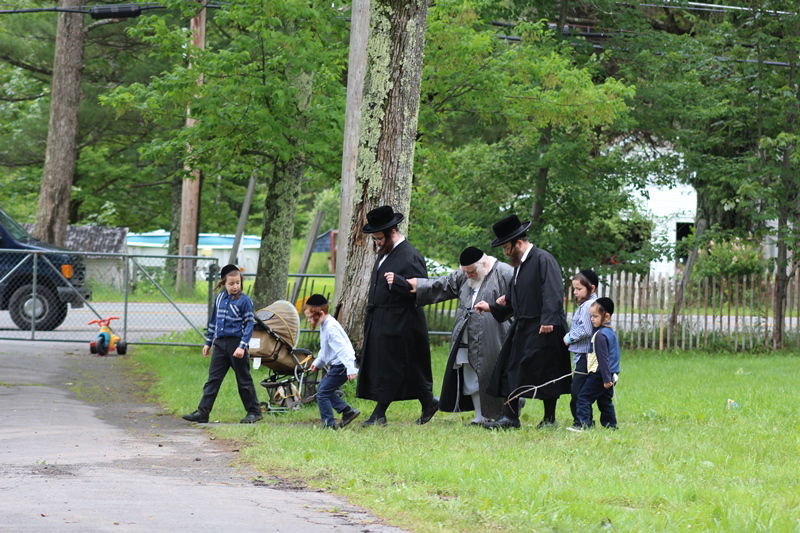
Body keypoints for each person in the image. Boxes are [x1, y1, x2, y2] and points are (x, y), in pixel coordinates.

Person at [475, 215, 572, 429]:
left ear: (518, 243)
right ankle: (510, 418)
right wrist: (492, 306)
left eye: (506, 247)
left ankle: (549, 419)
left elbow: (553, 291)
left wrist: (548, 320)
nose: (505, 252)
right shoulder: (520, 266)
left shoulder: (543, 259)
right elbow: (516, 300)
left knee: (548, 372)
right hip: (523, 327)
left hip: (545, 327)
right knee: (510, 368)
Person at [406, 247, 513, 424]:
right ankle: (480, 416)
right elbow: (444, 284)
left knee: (491, 374)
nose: (468, 276)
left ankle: (498, 415)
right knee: (471, 377)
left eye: (471, 272)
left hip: (494, 335)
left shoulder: (504, 272)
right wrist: (418, 285)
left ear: (484, 264)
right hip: (466, 333)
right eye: (465, 272)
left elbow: (518, 297)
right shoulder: (464, 275)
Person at [356, 205, 438, 426]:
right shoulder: (385, 253)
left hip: (402, 324)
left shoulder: (410, 256)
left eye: (379, 238)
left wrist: (401, 284)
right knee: (407, 367)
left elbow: (424, 290)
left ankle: (378, 414)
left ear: (392, 232)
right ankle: (428, 401)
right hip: (382, 320)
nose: (377, 242)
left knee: (390, 367)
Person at [182, 264, 262, 424]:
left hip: (236, 345)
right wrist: (208, 342)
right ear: (224, 283)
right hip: (219, 344)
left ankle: (254, 412)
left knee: (243, 380)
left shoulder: (245, 302)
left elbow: (249, 326)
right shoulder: (219, 298)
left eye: (238, 283)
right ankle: (203, 412)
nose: (235, 286)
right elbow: (213, 321)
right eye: (231, 284)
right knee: (213, 379)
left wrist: (242, 346)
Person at [304, 294, 361, 429]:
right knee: (324, 390)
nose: (309, 321)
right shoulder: (325, 325)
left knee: (322, 392)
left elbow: (343, 349)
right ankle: (348, 411)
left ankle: (329, 424)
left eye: (311, 318)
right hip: (338, 365)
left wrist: (351, 368)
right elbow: (325, 351)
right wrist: (317, 363)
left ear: (321, 313)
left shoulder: (331, 328)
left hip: (341, 366)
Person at [568, 297, 620, 431]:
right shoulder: (611, 333)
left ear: (606, 316)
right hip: (612, 374)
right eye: (591, 316)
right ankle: (611, 426)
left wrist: (606, 378)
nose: (592, 319)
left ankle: (585, 425)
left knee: (584, 398)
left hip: (599, 374)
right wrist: (611, 376)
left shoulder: (600, 336)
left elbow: (603, 359)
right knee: (605, 401)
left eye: (595, 316)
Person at [564, 269, 599, 427]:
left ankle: (581, 423)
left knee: (578, 392)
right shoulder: (591, 304)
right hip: (583, 355)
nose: (575, 293)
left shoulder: (588, 306)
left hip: (586, 355)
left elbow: (586, 329)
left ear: (592, 288)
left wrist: (569, 337)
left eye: (579, 289)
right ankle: (585, 421)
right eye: (574, 289)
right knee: (581, 390)